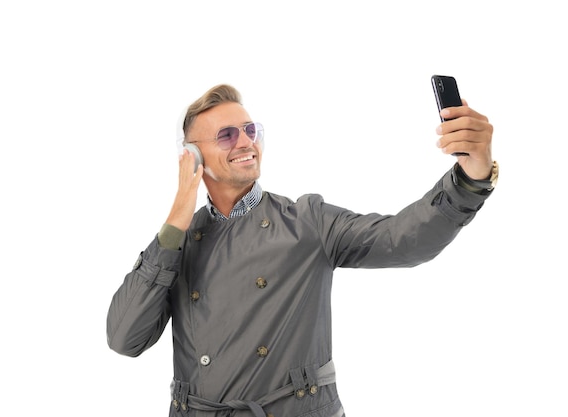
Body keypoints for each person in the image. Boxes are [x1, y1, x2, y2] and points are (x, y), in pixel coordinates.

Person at [106, 83, 498, 417]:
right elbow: (125, 339)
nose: (245, 142)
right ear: (191, 155)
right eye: (227, 135)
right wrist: (175, 221)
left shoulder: (306, 222)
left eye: (250, 130)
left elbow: (405, 238)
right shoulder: (177, 245)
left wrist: (471, 176)